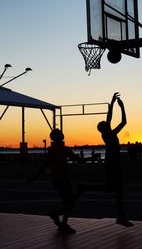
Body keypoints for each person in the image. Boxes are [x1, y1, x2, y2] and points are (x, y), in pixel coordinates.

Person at [77, 92, 133, 227]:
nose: (107, 124)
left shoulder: (111, 133)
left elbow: (124, 122)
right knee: (119, 190)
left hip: (112, 163)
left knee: (110, 188)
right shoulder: (107, 134)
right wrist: (113, 103)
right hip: (112, 164)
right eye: (105, 124)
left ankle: (84, 187)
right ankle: (121, 217)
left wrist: (122, 106)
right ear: (103, 129)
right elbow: (109, 117)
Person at [28, 128, 77, 233]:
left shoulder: (65, 149)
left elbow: (76, 159)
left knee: (69, 201)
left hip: (63, 178)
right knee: (70, 200)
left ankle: (60, 220)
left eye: (61, 133)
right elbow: (45, 164)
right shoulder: (53, 150)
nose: (62, 134)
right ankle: (62, 222)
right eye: (59, 134)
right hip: (58, 179)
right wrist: (34, 177)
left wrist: (89, 158)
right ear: (55, 138)